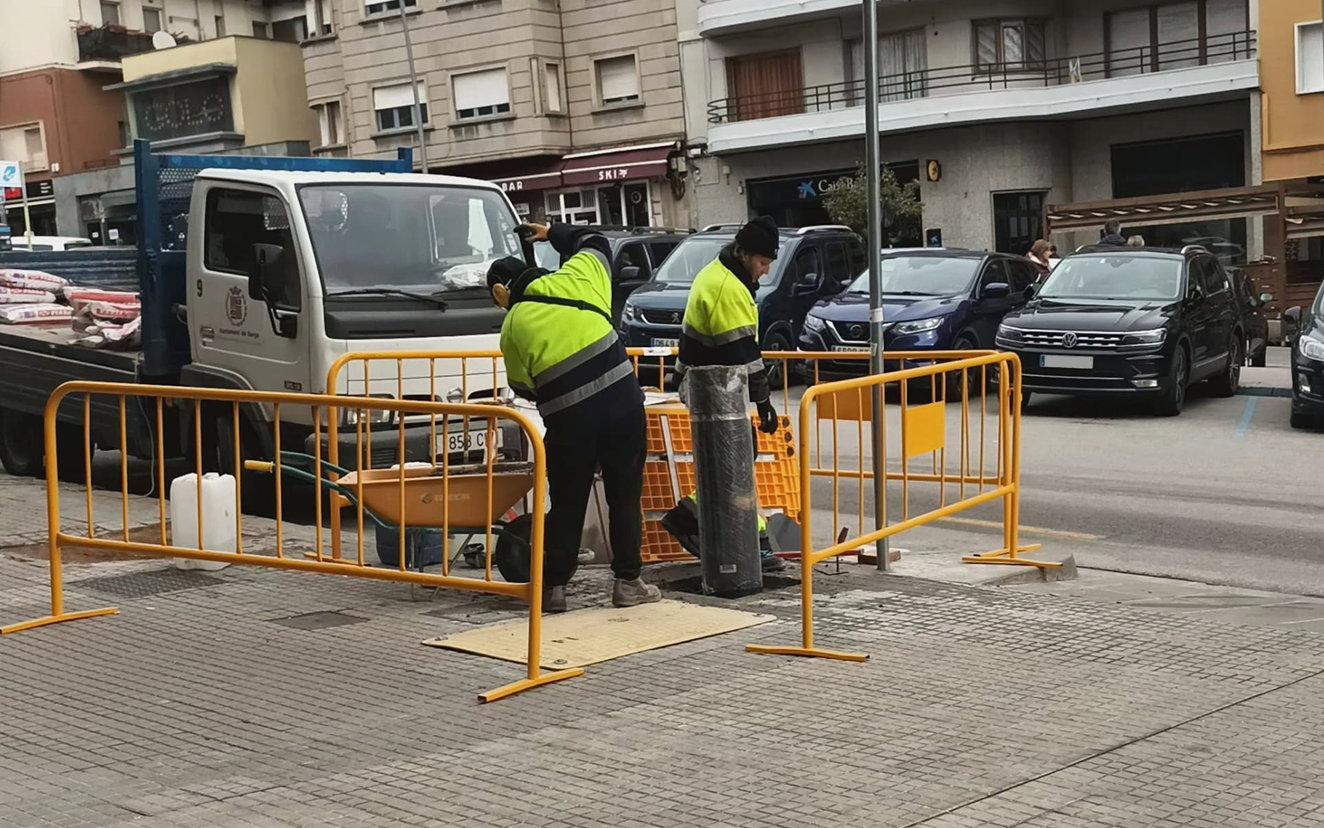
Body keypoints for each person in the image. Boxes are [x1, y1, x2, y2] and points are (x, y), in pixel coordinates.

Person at [486, 223, 662, 614]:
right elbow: (596, 240)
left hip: (570, 422)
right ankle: (628, 583)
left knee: (567, 503)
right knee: (624, 497)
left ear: (502, 294)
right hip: (623, 409)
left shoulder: (513, 324)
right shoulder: (581, 275)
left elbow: (524, 386)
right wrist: (551, 233)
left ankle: (554, 590)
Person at [666, 216, 785, 572]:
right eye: (763, 263)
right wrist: (763, 401)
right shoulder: (727, 288)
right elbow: (743, 354)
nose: (765, 271)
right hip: (716, 393)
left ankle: (737, 536)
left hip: (714, 390)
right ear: (745, 254)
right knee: (735, 466)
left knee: (733, 464)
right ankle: (744, 540)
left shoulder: (721, 275)